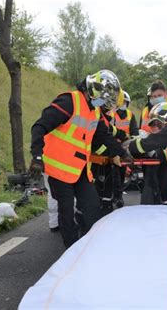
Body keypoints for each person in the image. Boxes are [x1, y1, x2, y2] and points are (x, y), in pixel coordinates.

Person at [29, 70, 130, 248]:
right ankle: (72, 250)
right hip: (59, 170)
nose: (103, 104)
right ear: (94, 90)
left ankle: (93, 244)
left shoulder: (95, 111)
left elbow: (102, 137)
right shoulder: (69, 101)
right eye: (103, 99)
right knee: (66, 213)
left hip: (80, 170)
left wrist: (121, 153)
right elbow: (39, 126)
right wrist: (37, 155)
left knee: (92, 206)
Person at [139, 80, 167, 206]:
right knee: (149, 182)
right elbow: (141, 129)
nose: (156, 99)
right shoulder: (146, 110)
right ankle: (151, 207)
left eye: (159, 95)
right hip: (150, 150)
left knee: (165, 184)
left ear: (166, 93)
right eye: (153, 97)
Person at [112, 91, 139, 208]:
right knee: (114, 174)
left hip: (125, 148)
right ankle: (115, 197)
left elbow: (134, 132)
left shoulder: (130, 115)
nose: (123, 104)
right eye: (121, 102)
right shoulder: (111, 114)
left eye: (125, 102)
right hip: (113, 147)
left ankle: (118, 197)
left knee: (122, 174)